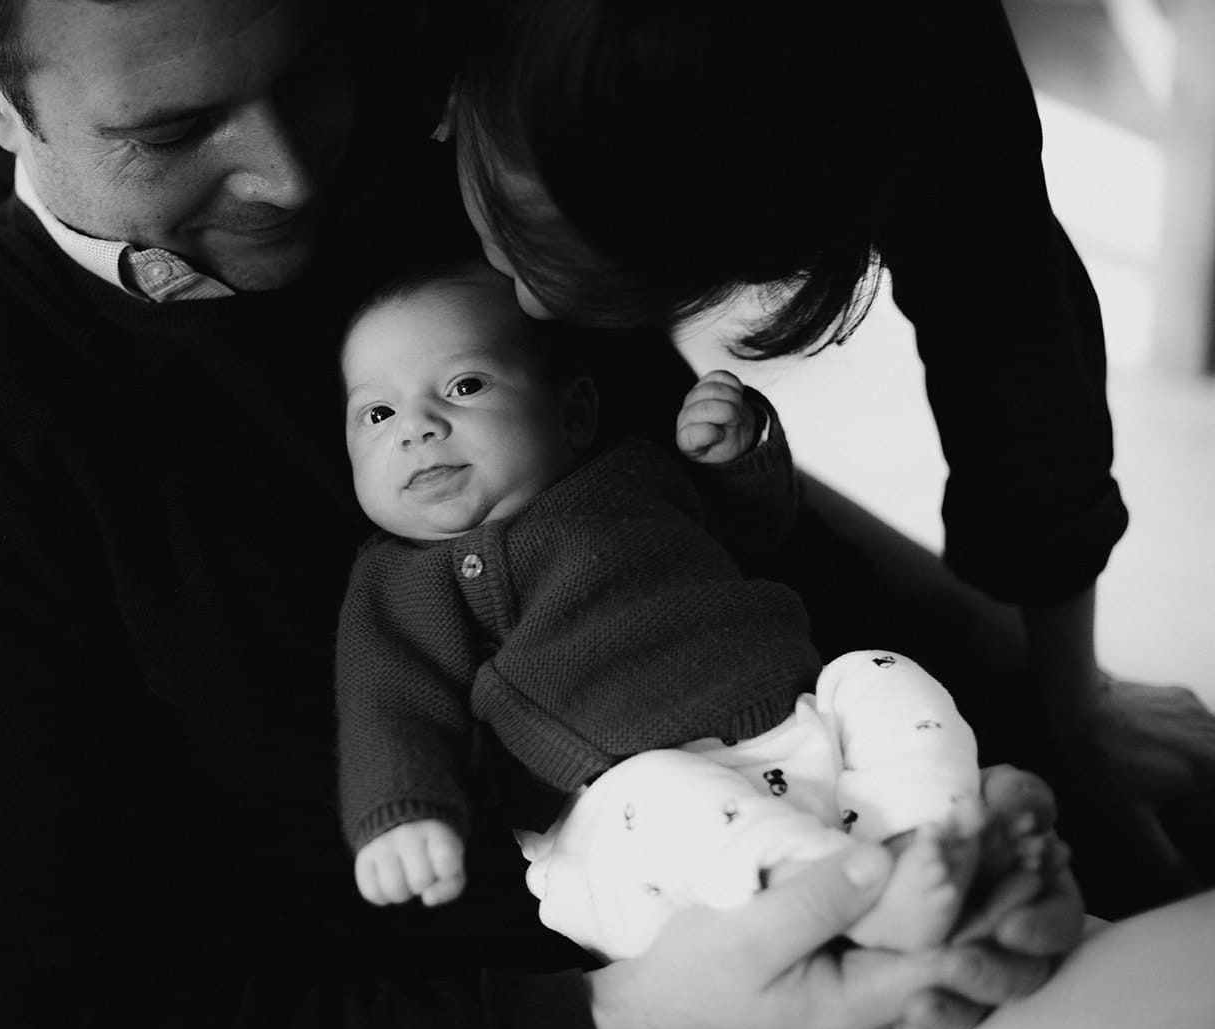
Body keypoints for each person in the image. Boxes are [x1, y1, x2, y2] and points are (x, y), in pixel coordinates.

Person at [0, 0, 1215, 1029]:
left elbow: (967, 345)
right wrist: (619, 1028)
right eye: (171, 132)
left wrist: (1029, 730)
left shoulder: (458, 155)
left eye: (306, 65)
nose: (294, 173)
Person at [437, 0, 1215, 915]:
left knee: (1147, 826)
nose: (523, 307)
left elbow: (1016, 349)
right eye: (511, 244)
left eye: (575, 284)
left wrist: (1076, 702)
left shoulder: (911, 50)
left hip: (684, 525)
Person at [335, 261, 1002, 962]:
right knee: (668, 798)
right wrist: (402, 811)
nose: (418, 428)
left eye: (463, 386)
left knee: (879, 675)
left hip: (795, 729)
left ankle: (935, 841)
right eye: (377, 413)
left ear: (574, 412)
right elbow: (389, 703)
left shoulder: (638, 471)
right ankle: (847, 902)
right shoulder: (403, 579)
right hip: (620, 822)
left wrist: (735, 457)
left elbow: (752, 536)